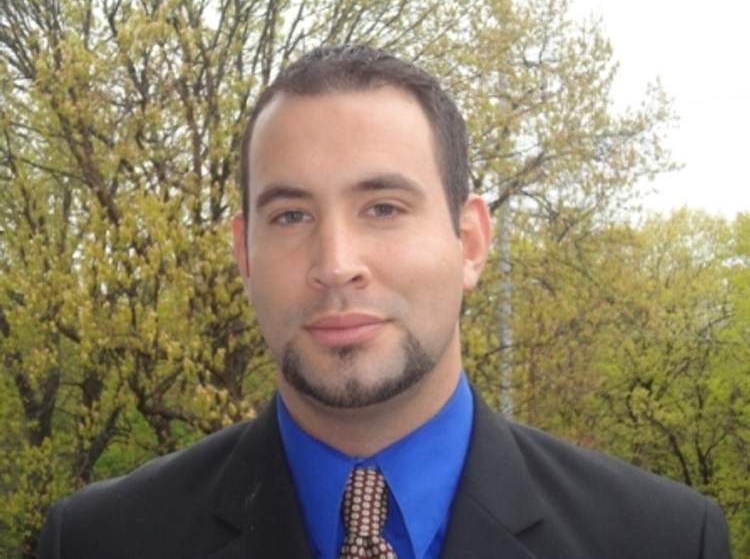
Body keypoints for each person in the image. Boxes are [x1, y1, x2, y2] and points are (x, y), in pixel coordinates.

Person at [39, 45, 731, 559]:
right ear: (244, 255)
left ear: (469, 242)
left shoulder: (665, 539)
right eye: (291, 216)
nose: (336, 264)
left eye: (383, 207)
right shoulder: (100, 541)